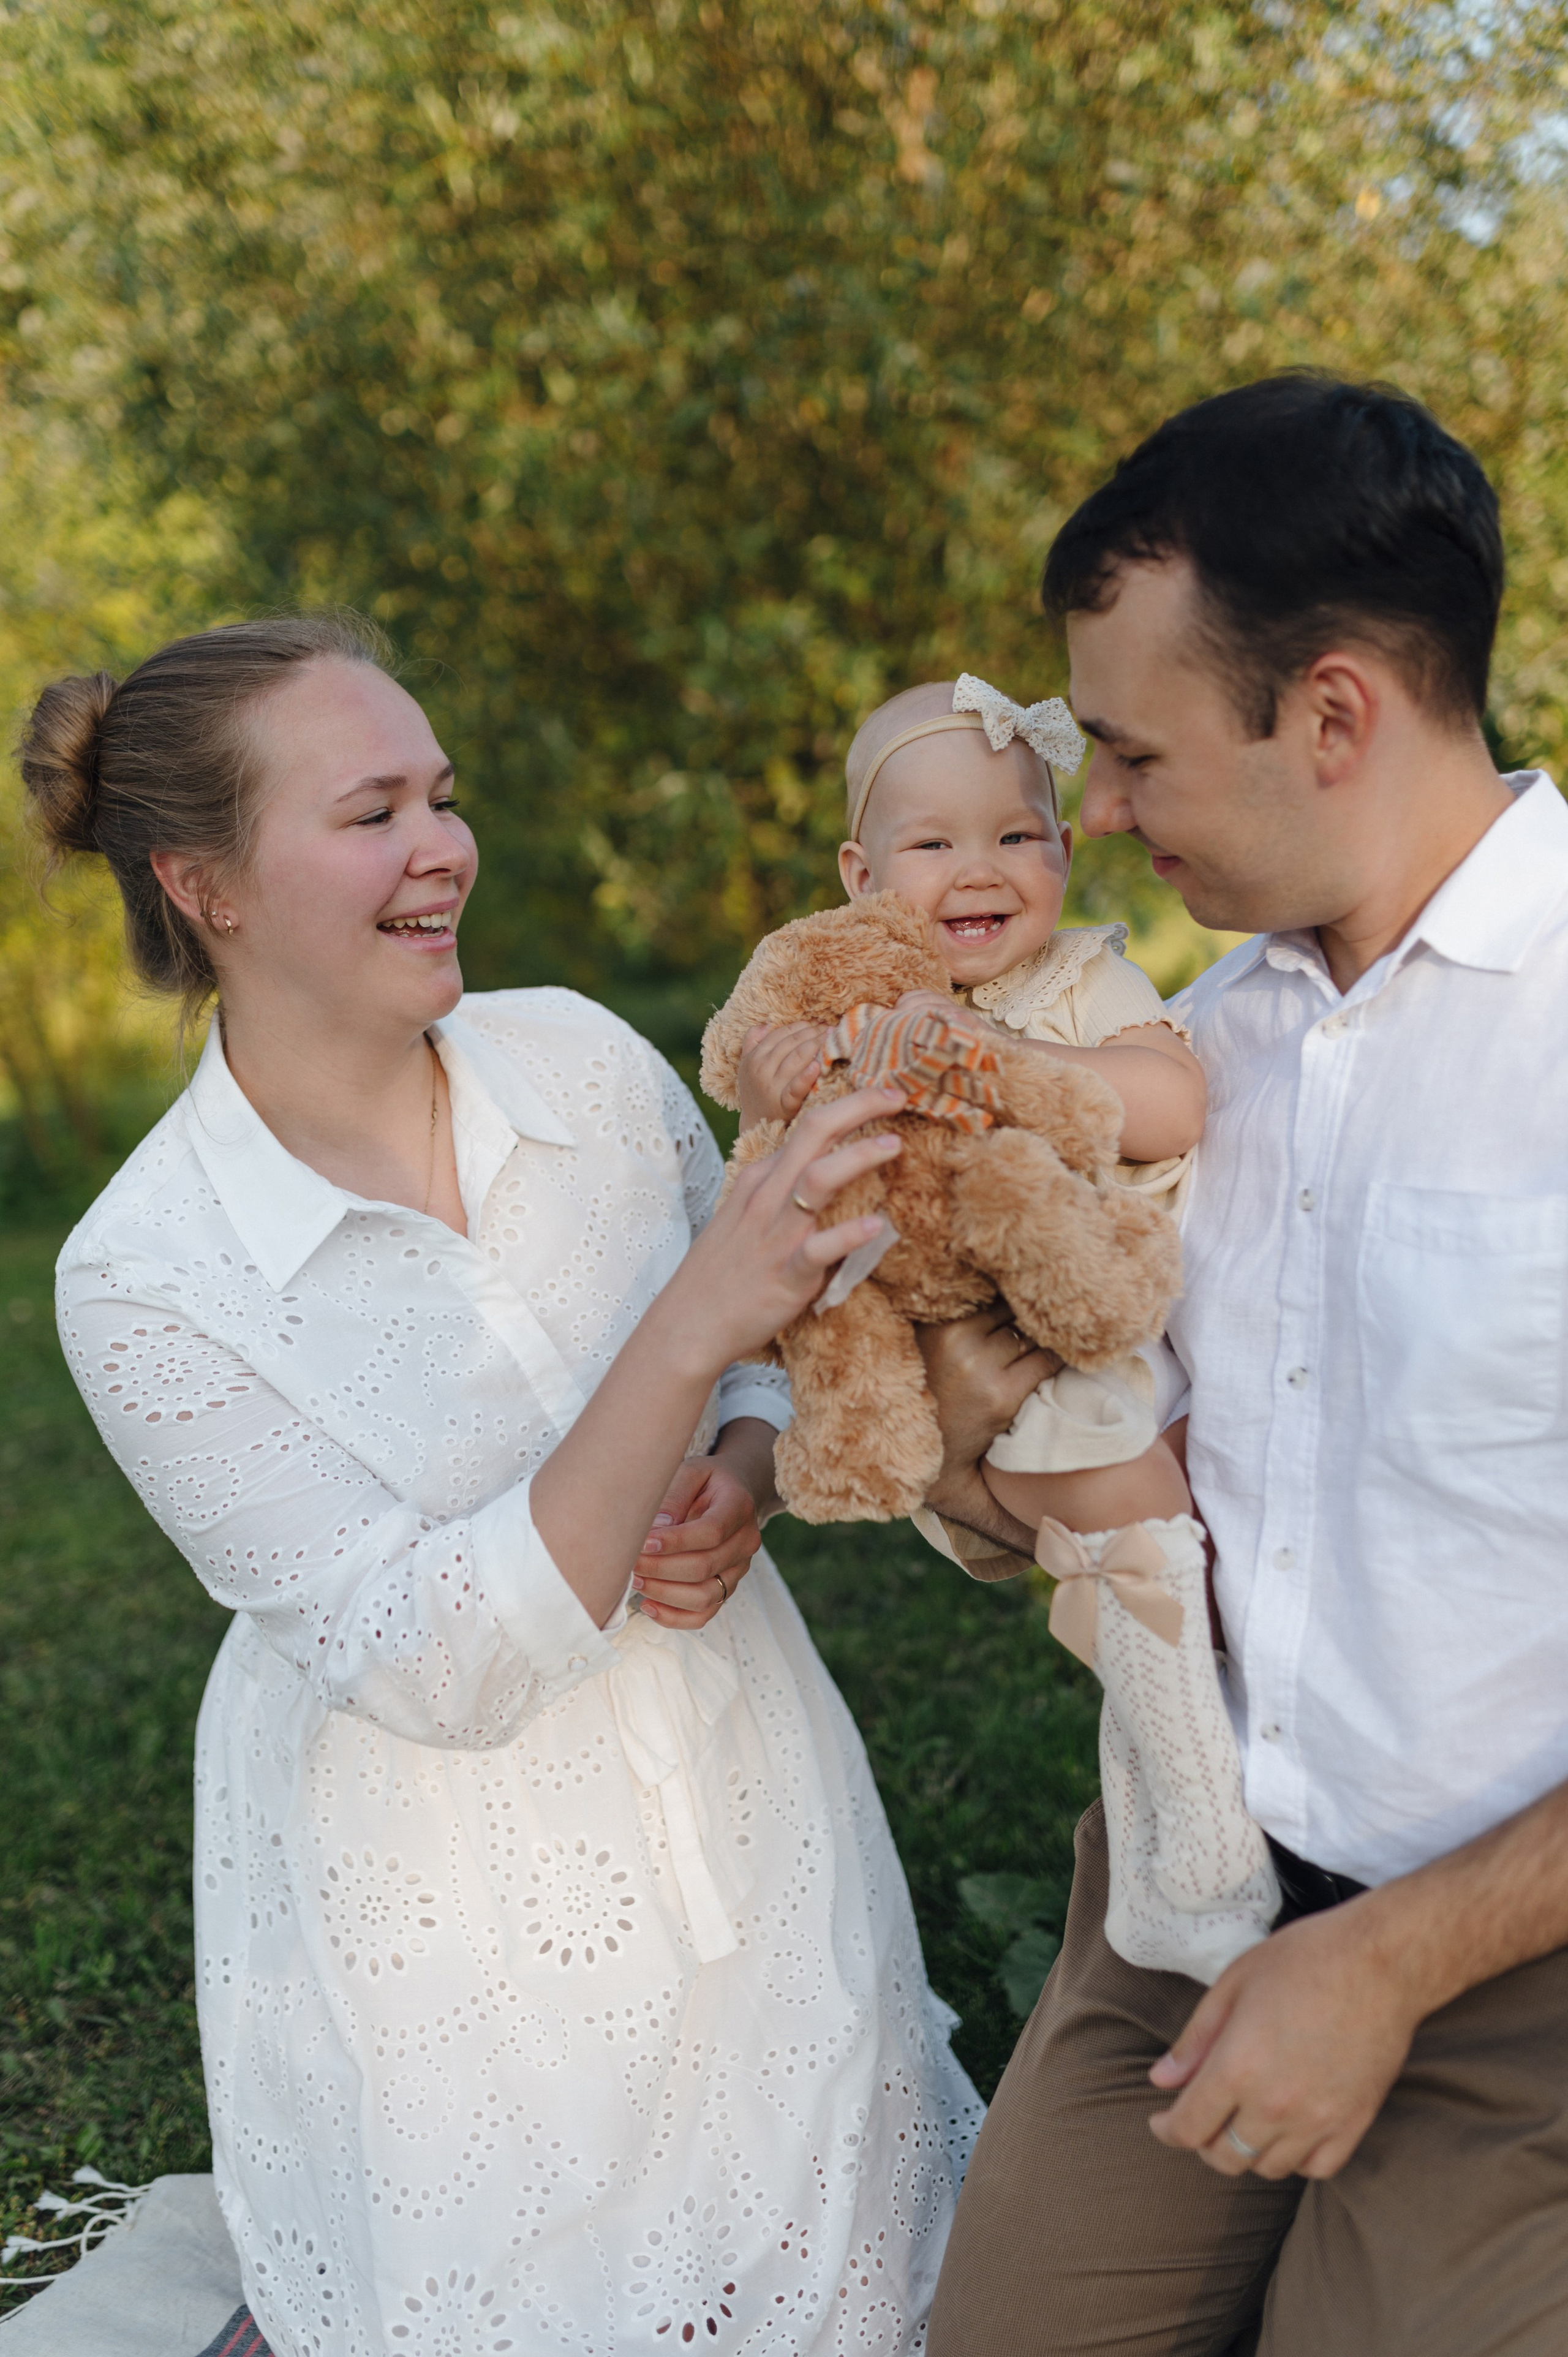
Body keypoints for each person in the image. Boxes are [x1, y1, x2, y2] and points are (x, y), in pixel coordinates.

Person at [23, 614, 982, 2357]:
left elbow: (767, 1351)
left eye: (442, 796)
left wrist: (744, 1469)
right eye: (372, 811)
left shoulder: (584, 1063)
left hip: (742, 1773)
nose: (444, 848)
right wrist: (691, 1332)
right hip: (446, 1899)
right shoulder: (142, 1273)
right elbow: (431, 1662)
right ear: (202, 884)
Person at [920, 372, 1568, 2355]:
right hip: (1189, 1876)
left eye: (1132, 753)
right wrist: (964, 1445)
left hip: (1520, 1957)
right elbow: (1083, 1476)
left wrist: (1392, 1962)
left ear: (1334, 715)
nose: (1098, 813)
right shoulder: (1193, 1050)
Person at [735, 677, 1275, 1986]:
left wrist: (994, 1064)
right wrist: (769, 1074)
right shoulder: (855, 1004)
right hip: (956, 1356)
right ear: (861, 875)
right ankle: (1200, 1840)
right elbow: (768, 1131)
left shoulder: (1084, 978)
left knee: (1127, 1550)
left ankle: (1171, 1851)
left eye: (1016, 835)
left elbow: (1172, 1101)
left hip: (1090, 1318)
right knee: (1127, 1539)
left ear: (1065, 853)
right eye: (932, 842)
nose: (979, 868)